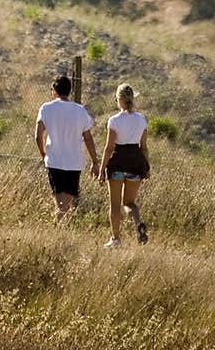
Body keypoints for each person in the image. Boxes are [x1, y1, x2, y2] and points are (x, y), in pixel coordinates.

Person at [35, 74, 100, 222]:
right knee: (66, 205)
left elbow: (38, 135)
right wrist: (95, 161)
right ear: (69, 91)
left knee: (60, 204)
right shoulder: (80, 110)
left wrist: (43, 153)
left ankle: (58, 230)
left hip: (54, 161)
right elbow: (88, 138)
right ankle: (61, 230)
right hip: (74, 163)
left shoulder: (46, 108)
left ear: (54, 91)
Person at [99, 83, 150, 247]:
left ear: (119, 99)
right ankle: (138, 222)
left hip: (117, 162)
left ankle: (115, 239)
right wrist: (147, 168)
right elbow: (144, 147)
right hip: (135, 162)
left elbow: (109, 148)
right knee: (129, 202)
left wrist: (101, 170)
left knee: (115, 204)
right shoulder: (141, 120)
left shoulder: (114, 121)